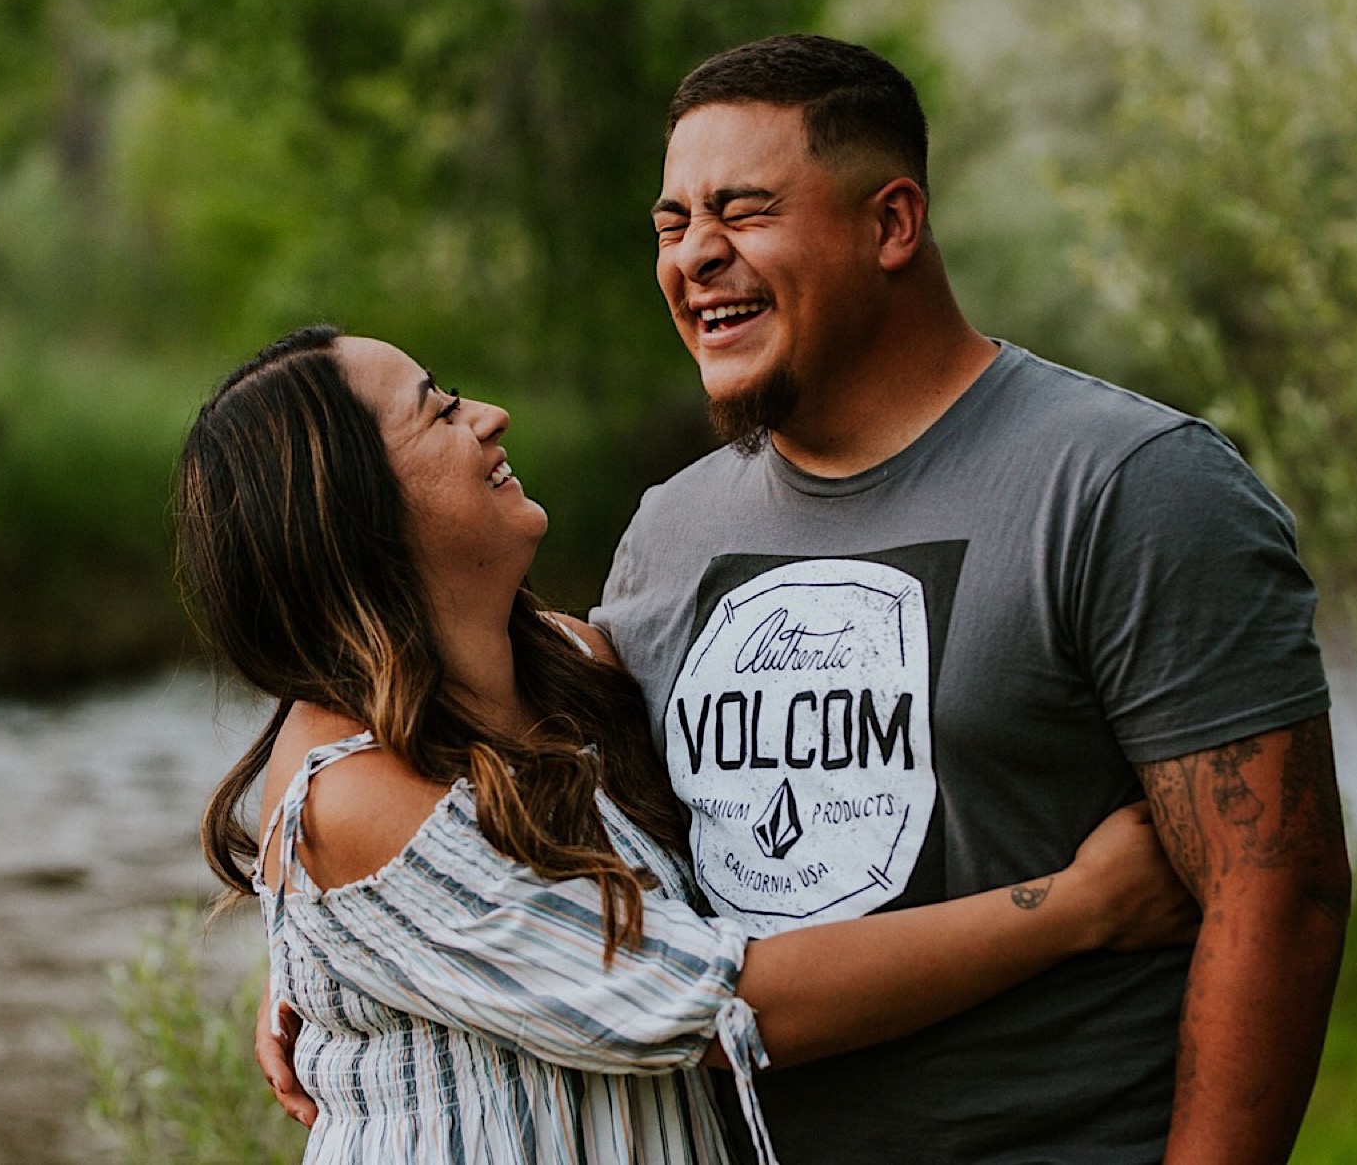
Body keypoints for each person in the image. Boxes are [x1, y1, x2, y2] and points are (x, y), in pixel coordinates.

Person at [591, 33, 1351, 1162]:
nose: (694, 257)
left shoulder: (1127, 484)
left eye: (742, 212)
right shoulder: (670, 527)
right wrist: (329, 950)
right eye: (671, 224)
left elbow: (1275, 899)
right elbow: (488, 757)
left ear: (890, 224)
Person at [187, 326, 1197, 1164]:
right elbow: (717, 1010)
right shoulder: (349, 799)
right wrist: (1077, 909)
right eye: (438, 411)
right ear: (350, 508)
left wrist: (319, 962)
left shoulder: (565, 662)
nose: (485, 415)